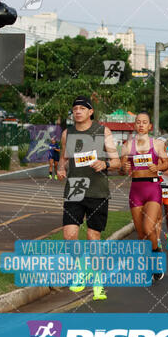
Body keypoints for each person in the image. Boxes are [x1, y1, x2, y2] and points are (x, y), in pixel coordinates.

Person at [57, 95, 120, 300]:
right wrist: (60, 169)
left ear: (90, 112)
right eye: (75, 108)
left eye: (82, 109)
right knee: (69, 235)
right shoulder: (68, 133)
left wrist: (106, 165)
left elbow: (117, 161)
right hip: (75, 188)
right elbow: (63, 159)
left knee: (93, 238)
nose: (77, 111)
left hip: (97, 190)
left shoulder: (103, 131)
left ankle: (98, 282)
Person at [121, 111, 168, 282]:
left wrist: (158, 167)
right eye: (138, 122)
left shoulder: (156, 144)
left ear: (150, 126)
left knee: (149, 228)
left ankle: (156, 256)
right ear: (135, 125)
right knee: (141, 234)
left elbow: (166, 163)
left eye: (144, 122)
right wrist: (125, 167)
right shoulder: (128, 145)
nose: (141, 125)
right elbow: (122, 167)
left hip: (153, 188)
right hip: (136, 190)